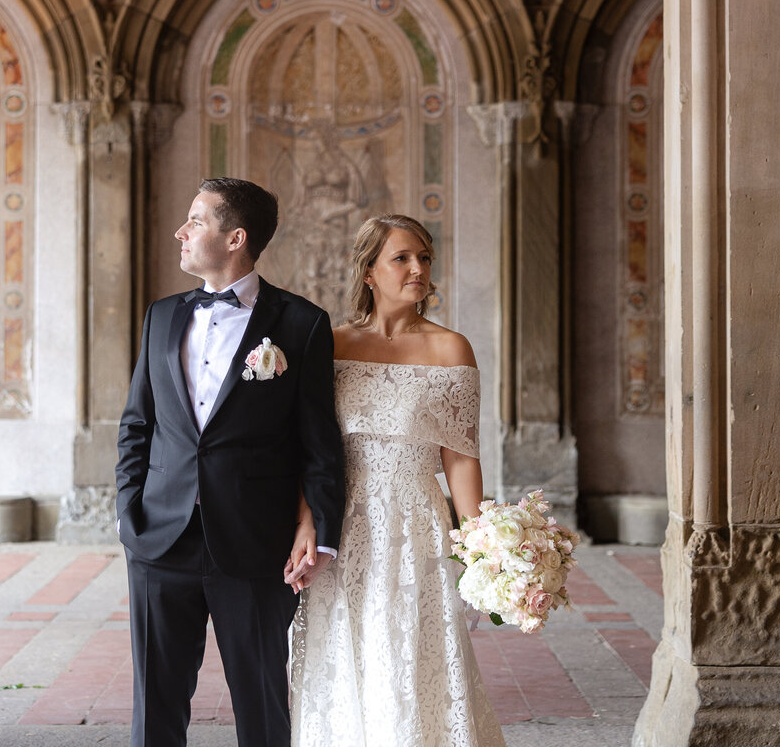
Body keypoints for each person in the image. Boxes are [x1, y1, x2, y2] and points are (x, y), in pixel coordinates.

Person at [116, 177, 346, 747]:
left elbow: (319, 440)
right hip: (159, 538)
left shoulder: (301, 324)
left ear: (235, 237)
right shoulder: (162, 316)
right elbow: (137, 425)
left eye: (196, 220)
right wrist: (127, 514)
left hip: (255, 541)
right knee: (154, 705)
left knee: (263, 702)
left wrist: (319, 531)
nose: (181, 231)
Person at [286, 214, 507, 747]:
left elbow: (460, 457)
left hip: (416, 522)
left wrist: (480, 549)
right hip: (343, 520)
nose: (418, 269)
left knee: (413, 648)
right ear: (368, 271)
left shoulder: (450, 349)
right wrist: (305, 522)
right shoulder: (331, 345)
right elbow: (308, 450)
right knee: (342, 647)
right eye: (402, 258)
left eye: (425, 258)